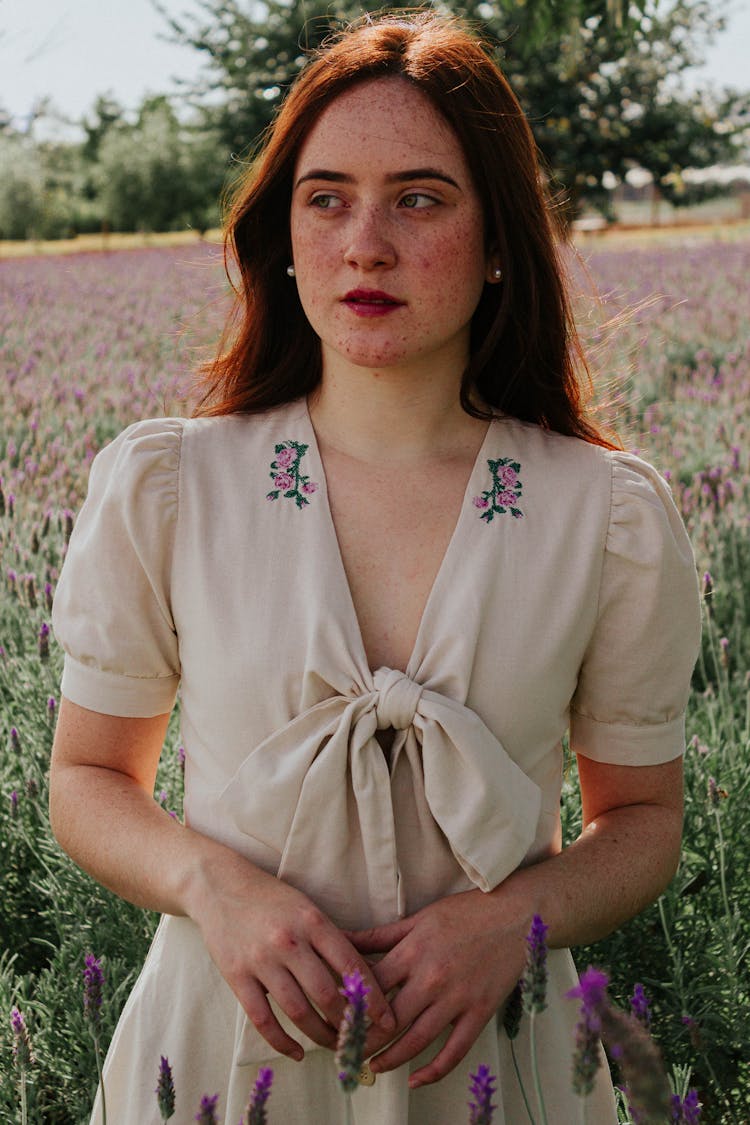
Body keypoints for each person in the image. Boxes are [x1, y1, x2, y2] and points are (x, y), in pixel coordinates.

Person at [49, 12, 702, 1123]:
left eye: (419, 197)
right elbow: (86, 779)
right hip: (224, 1057)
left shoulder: (605, 514)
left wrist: (513, 921)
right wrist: (213, 886)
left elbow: (641, 818)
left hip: (502, 1065)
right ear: (285, 232)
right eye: (327, 198)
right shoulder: (170, 486)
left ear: (499, 239)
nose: (365, 243)